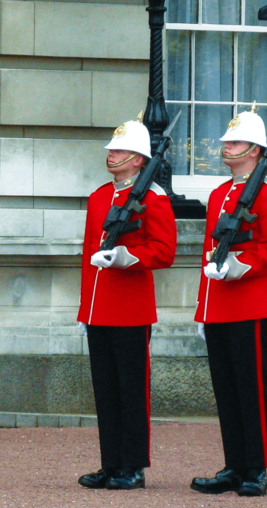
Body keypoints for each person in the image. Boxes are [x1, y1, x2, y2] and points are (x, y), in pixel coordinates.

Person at [191, 108, 267, 497]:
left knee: (251, 389)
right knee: (227, 391)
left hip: (251, 302)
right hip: (220, 304)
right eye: (227, 142)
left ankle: (256, 468)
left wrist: (237, 266)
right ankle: (234, 464)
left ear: (254, 149)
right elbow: (208, 252)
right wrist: (203, 307)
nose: (226, 147)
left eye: (233, 142)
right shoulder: (219, 193)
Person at [76, 117, 177, 490]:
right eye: (111, 150)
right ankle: (111, 462)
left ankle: (133, 466)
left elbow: (165, 251)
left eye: (119, 151)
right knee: (105, 389)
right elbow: (88, 255)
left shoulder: (154, 198)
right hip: (100, 308)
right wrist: (85, 308)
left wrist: (125, 257)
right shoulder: (100, 196)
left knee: (132, 390)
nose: (111, 155)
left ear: (138, 159)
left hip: (131, 308)